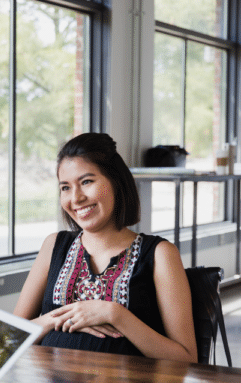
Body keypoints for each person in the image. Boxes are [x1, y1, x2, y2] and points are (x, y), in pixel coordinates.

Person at [13, 133, 197, 363]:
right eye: (65, 187)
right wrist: (53, 319)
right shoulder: (53, 245)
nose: (76, 198)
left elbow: (187, 359)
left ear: (116, 182)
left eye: (87, 182)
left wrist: (115, 315)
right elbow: (9, 336)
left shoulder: (160, 254)